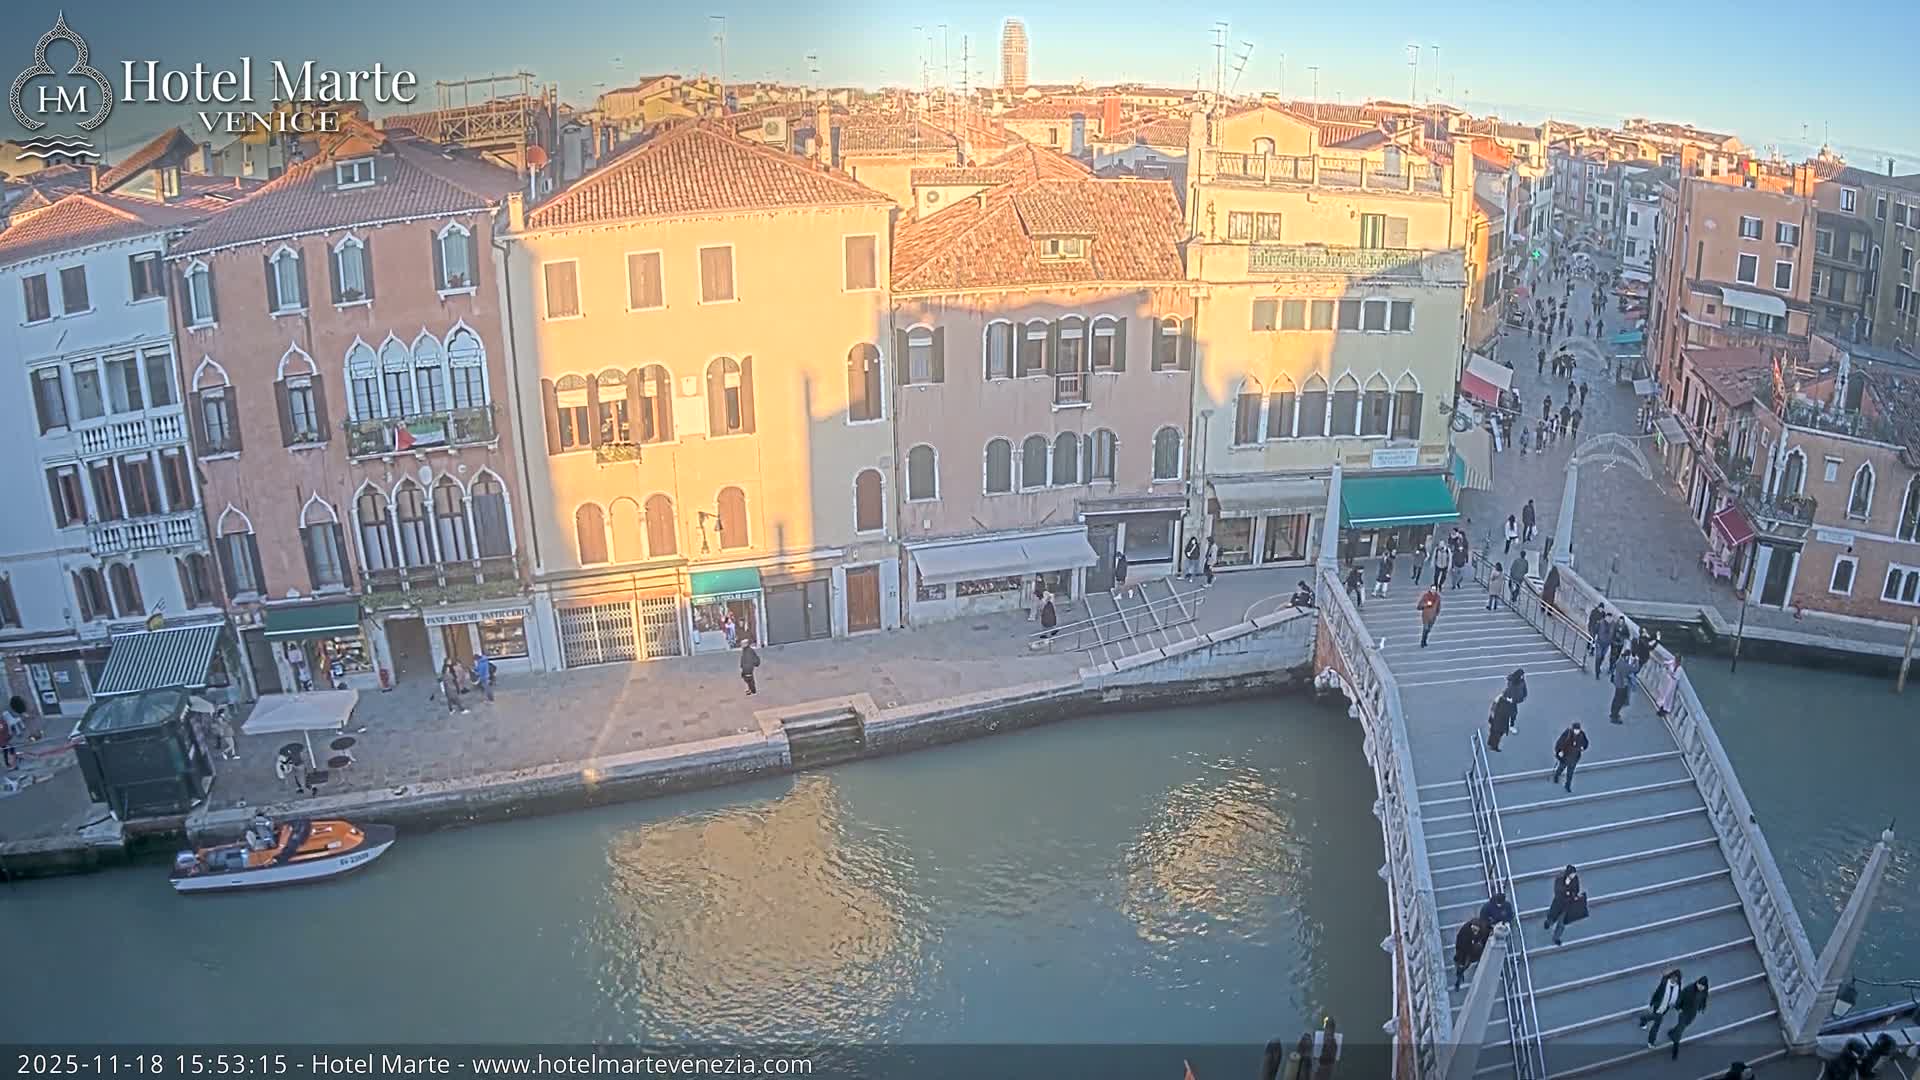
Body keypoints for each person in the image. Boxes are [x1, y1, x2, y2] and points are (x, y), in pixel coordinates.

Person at [1667, 976, 1710, 1058]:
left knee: (1684, 1025)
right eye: (1699, 985)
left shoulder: (1704, 991)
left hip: (1692, 1013)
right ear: (1697, 983)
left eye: (1702, 986)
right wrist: (1678, 1008)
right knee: (1680, 1030)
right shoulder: (1689, 989)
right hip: (1684, 1012)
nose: (1700, 987)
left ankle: (1672, 1033)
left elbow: (1704, 999)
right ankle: (1675, 1047)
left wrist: (1702, 1007)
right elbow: (1680, 997)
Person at [1639, 969, 1683, 1047]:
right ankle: (1651, 1042)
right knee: (1657, 1024)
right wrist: (1651, 1004)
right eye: (1673, 978)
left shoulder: (1678, 985)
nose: (1674, 980)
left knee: (1653, 1017)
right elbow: (1657, 992)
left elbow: (1677, 997)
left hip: (1666, 1008)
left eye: (1676, 979)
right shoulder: (1664, 983)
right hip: (1658, 1006)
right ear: (1671, 976)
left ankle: (1643, 1019)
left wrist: (1678, 1007)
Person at [1543, 864, 1583, 945]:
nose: (1574, 875)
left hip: (1567, 905)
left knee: (1561, 923)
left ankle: (1556, 938)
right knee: (1553, 917)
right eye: (1572, 874)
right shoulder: (1560, 879)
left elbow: (1576, 889)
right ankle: (1548, 923)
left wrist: (1572, 895)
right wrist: (1568, 892)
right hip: (1558, 904)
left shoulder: (1575, 879)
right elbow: (1558, 892)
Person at [1452, 915, 1491, 991]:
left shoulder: (1484, 929)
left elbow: (1487, 932)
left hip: (1473, 948)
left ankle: (1461, 972)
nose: (1474, 932)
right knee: (1462, 964)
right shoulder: (1465, 933)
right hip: (1464, 949)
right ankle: (1458, 978)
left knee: (1467, 962)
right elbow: (1461, 947)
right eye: (1473, 930)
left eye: (1475, 930)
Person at [1552, 722, 1589, 793]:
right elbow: (1560, 742)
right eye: (1575, 729)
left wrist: (1583, 747)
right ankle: (1556, 776)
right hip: (1565, 756)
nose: (1577, 731)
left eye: (1578, 730)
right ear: (1572, 729)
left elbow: (1586, 743)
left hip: (1574, 758)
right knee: (1561, 768)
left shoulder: (1582, 734)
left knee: (1570, 773)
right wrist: (1559, 751)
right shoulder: (1567, 734)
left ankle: (1567, 785)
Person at [1610, 653, 1641, 724]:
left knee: (1615, 699)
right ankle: (1614, 717)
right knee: (1619, 701)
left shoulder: (1619, 662)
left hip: (1617, 683)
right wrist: (1637, 661)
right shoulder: (1624, 666)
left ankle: (1613, 713)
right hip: (1622, 685)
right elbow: (1635, 669)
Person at [1588, 607, 1613, 679]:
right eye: (1608, 618)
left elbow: (1613, 633)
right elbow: (1595, 630)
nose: (1609, 620)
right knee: (1598, 657)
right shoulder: (1600, 623)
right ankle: (1597, 672)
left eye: (1610, 618)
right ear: (1606, 617)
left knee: (1602, 656)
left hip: (1607, 644)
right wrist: (1593, 637)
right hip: (1599, 642)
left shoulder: (1613, 625)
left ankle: (1599, 666)